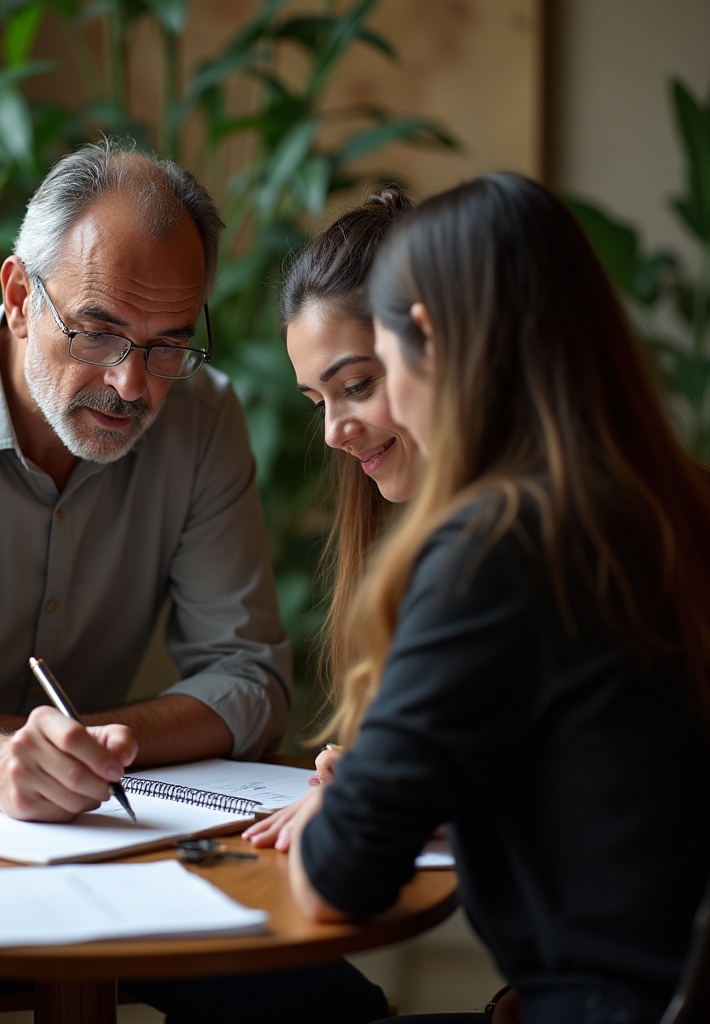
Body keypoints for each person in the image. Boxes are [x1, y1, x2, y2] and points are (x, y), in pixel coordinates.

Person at [0, 140, 386, 1024]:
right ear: (19, 298)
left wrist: (81, 744)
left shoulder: (204, 419)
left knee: (315, 1006)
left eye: (169, 345)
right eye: (97, 331)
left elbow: (249, 681)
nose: (131, 384)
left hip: (88, 803)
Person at [286, 173, 710, 1023]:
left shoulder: (495, 546)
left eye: (373, 375)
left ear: (430, 338)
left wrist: (349, 796)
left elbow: (336, 878)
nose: (343, 428)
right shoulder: (669, 505)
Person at [241, 187, 421, 853]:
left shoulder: (508, 547)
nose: (333, 434)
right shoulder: (415, 543)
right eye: (317, 400)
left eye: (357, 386)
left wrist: (397, 791)